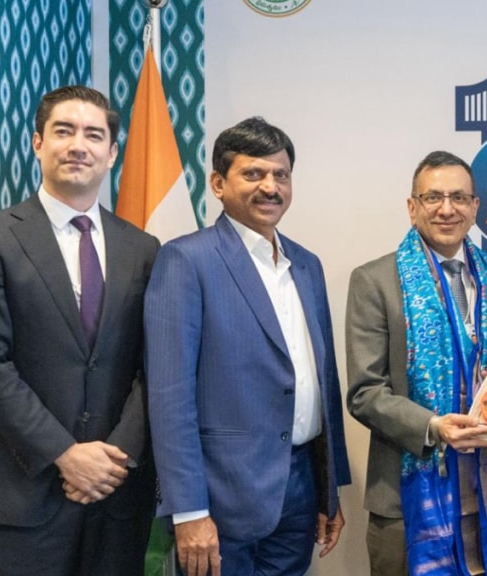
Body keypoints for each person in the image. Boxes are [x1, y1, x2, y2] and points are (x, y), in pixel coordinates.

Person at [0, 85, 159, 575]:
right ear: (38, 143)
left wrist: (115, 459)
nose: (78, 145)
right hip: (25, 493)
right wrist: (65, 454)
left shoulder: (143, 248)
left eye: (93, 134)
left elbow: (156, 365)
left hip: (117, 493)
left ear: (112, 152)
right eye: (64, 131)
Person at [145, 117, 350, 576]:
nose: (270, 187)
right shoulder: (186, 260)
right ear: (218, 184)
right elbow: (169, 397)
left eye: (281, 175)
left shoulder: (307, 265)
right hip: (221, 497)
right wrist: (188, 510)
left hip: (300, 486)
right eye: (253, 174)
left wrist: (328, 489)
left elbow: (323, 381)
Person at [346, 150, 487, 576]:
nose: (447, 209)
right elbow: (365, 393)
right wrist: (434, 427)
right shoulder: (375, 281)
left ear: (475, 207)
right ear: (412, 207)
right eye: (433, 197)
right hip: (411, 499)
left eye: (459, 198)